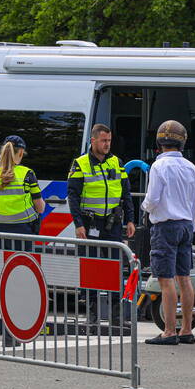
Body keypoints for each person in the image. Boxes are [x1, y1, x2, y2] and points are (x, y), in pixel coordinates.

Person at [0, 135, 45, 343]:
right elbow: (40, 207)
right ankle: (10, 334)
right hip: (22, 235)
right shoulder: (27, 174)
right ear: (20, 153)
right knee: (17, 281)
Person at [67, 124, 136, 325]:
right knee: (91, 269)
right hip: (90, 224)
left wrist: (130, 219)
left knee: (115, 268)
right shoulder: (80, 164)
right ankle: (93, 315)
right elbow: (73, 196)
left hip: (112, 223)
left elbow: (126, 194)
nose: (107, 144)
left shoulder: (116, 162)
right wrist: (78, 224)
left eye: (109, 141)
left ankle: (116, 317)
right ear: (93, 141)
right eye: (104, 141)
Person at [141, 120, 195, 345]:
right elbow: (194, 202)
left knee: (166, 281)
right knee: (184, 279)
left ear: (159, 142)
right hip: (186, 224)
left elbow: (153, 199)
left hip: (165, 226)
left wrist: (145, 207)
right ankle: (186, 329)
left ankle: (169, 331)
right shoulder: (191, 168)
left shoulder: (159, 167)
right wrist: (192, 226)